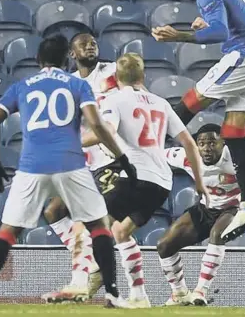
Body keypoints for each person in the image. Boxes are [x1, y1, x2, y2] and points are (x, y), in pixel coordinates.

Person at [0, 34, 138, 309]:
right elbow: (96, 124)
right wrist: (122, 157)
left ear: (38, 60)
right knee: (99, 226)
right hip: (70, 163)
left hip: (31, 166)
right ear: (65, 59)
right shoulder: (77, 83)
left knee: (9, 231)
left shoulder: (22, 85)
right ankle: (112, 293)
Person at [151, 0, 245, 242]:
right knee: (233, 132)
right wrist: (205, 23)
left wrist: (179, 35)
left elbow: (219, 33)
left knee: (188, 105)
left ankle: (141, 152)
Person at [75, 53, 208, 307]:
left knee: (93, 221)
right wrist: (199, 183)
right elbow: (189, 143)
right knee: (121, 231)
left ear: (116, 78)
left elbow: (108, 131)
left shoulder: (115, 99)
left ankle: (96, 272)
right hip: (161, 182)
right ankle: (139, 297)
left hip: (136, 177)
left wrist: (74, 141)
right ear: (143, 76)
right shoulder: (161, 103)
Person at [41, 33, 121, 304]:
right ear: (72, 55)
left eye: (94, 43)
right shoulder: (68, 85)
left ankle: (81, 280)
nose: (91, 45)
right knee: (53, 211)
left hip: (112, 159)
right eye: (84, 43)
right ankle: (93, 267)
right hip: (85, 162)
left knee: (85, 223)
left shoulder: (111, 71)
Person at [157, 124, 245, 306]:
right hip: (206, 208)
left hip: (233, 209)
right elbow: (155, 154)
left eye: (212, 142)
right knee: (164, 245)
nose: (206, 148)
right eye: (201, 143)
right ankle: (179, 294)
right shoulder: (186, 156)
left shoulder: (236, 162)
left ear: (223, 144)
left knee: (216, 234)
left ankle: (200, 291)